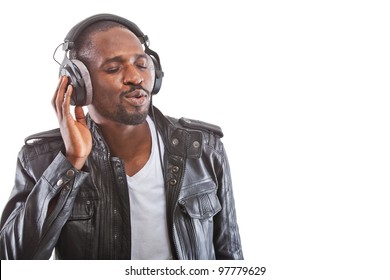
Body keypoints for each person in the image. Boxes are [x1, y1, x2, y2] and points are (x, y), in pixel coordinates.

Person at [0, 13, 243, 260]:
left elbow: (231, 256)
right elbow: (13, 259)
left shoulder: (203, 149)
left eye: (141, 64)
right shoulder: (41, 160)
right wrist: (71, 162)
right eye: (114, 68)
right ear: (79, 84)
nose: (136, 78)